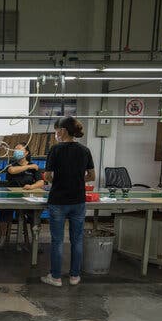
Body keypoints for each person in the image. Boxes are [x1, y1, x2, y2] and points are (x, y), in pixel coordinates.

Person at [41, 117, 95, 287]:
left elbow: (48, 177)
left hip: (58, 200)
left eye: (57, 130)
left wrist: (57, 179)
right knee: (76, 239)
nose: (56, 133)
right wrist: (77, 179)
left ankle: (56, 277)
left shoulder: (55, 150)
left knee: (57, 240)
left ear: (63, 131)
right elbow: (92, 176)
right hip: (78, 200)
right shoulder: (84, 150)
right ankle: (74, 276)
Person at [0, 144, 45, 247]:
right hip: (11, 196)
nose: (16, 151)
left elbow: (41, 182)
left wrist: (32, 187)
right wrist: (29, 166)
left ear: (26, 152)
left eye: (18, 149)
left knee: (34, 214)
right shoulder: (12, 164)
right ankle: (2, 237)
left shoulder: (34, 167)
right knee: (4, 212)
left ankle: (35, 241)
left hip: (27, 196)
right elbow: (12, 171)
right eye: (15, 149)